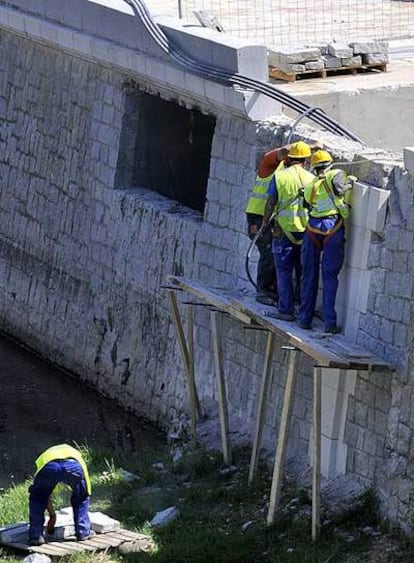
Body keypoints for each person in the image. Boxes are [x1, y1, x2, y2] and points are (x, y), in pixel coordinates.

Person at [298, 150, 356, 333]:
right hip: (332, 229)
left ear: (314, 167)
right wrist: (351, 183)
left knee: (309, 276)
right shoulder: (336, 174)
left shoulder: (310, 185)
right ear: (329, 163)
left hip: (312, 229)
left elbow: (307, 205)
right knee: (330, 277)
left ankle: (304, 319)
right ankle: (330, 324)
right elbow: (340, 188)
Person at [262, 141, 315, 321]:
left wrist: (264, 223)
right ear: (306, 161)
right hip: (306, 233)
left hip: (283, 230)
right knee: (303, 272)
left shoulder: (281, 177)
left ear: (289, 159)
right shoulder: (311, 179)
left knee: (284, 271)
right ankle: (303, 310)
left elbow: (271, 202)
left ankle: (286, 311)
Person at [245, 146, 289, 305]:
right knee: (268, 253)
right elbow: (281, 152)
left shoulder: (287, 171)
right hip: (258, 217)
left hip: (271, 218)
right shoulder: (269, 164)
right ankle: (263, 291)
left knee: (274, 254)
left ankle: (271, 291)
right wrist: (309, 147)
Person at [28, 443, 93, 545]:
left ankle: (36, 536)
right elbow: (86, 490)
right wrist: (83, 494)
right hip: (73, 466)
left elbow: (44, 496)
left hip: (49, 467)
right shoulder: (77, 456)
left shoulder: (43, 458)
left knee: (37, 498)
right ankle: (83, 532)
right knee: (81, 497)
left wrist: (52, 515)